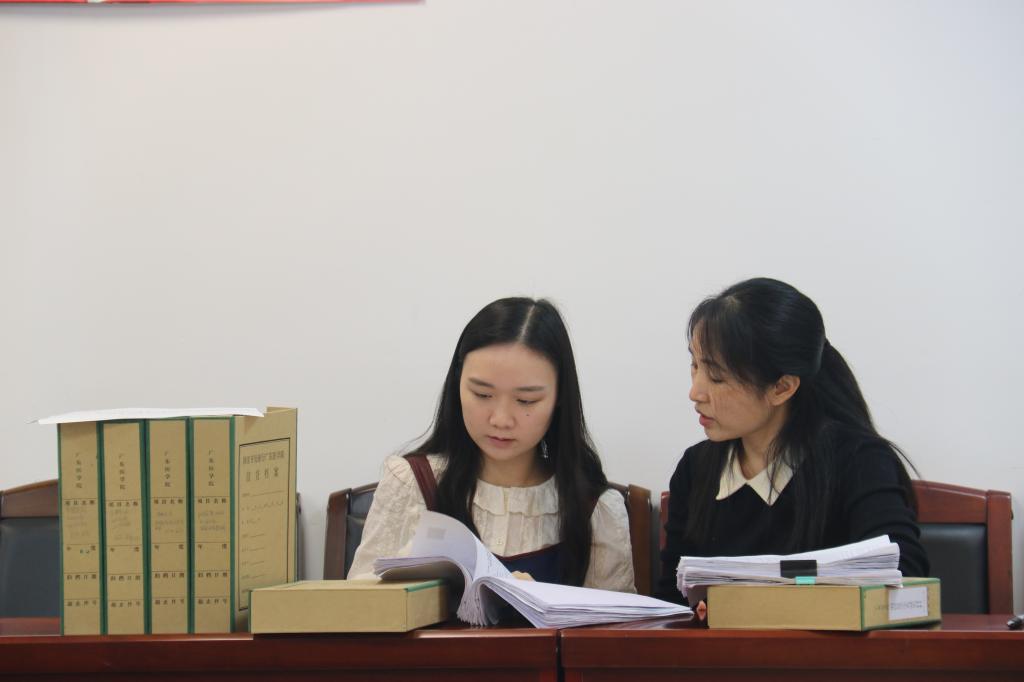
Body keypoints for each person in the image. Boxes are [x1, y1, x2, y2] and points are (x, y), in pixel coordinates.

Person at [657, 278, 928, 603]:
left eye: (716, 376)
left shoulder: (859, 460)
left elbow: (904, 577)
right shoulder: (696, 468)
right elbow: (673, 600)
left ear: (782, 388)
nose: (695, 392)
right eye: (694, 365)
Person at [348, 297, 636, 592]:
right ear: (457, 383)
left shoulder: (594, 509)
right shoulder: (411, 484)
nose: (500, 419)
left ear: (559, 397)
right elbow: (356, 608)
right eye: (482, 394)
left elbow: (613, 621)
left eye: (526, 400)